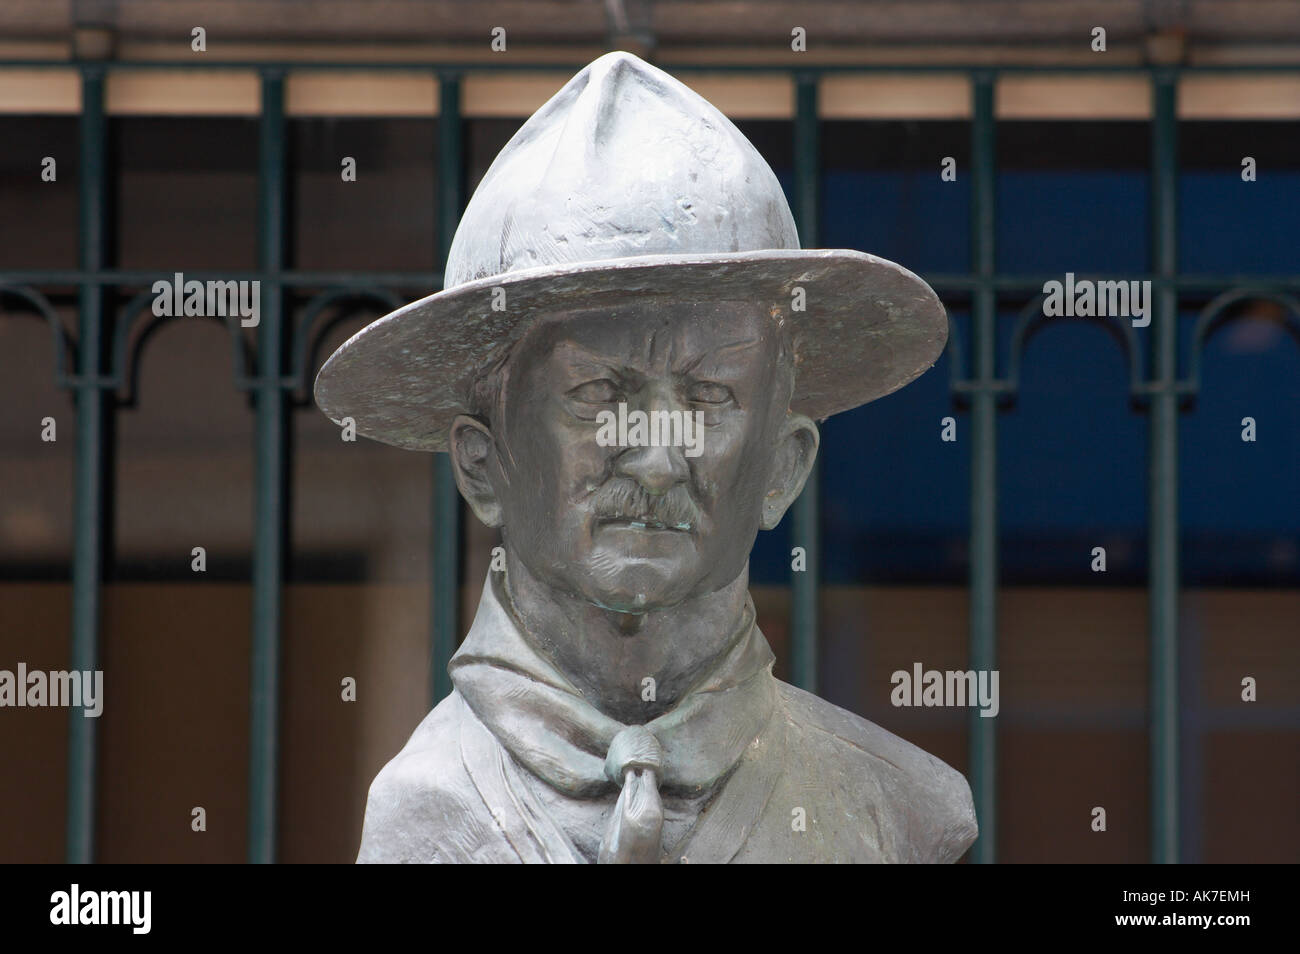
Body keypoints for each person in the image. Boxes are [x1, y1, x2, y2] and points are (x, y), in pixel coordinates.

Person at [315, 51, 976, 863]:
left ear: (782, 468)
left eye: (709, 398)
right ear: (482, 465)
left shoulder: (902, 810)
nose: (661, 459)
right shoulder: (419, 814)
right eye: (597, 393)